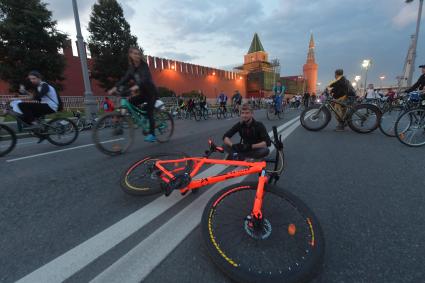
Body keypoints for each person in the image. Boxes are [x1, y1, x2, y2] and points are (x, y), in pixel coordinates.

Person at [108, 47, 158, 142]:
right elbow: (125, 78)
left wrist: (134, 87)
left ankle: (152, 134)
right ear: (130, 55)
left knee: (149, 112)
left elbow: (145, 79)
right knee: (130, 102)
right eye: (134, 54)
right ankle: (141, 120)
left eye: (138, 54)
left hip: (151, 93)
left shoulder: (144, 66)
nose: (137, 55)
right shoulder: (131, 69)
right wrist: (115, 87)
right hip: (143, 93)